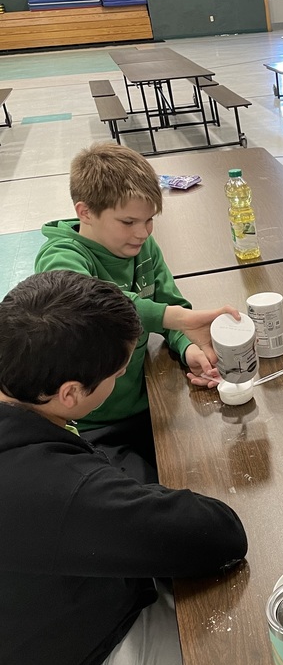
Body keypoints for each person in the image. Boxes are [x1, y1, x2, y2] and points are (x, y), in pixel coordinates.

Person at [0, 271, 247, 665]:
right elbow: (218, 533)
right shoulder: (58, 490)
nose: (120, 379)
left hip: (41, 615)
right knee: (247, 635)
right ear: (70, 393)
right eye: (117, 375)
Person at [34, 142, 237, 480]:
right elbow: (94, 305)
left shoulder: (143, 246)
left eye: (148, 221)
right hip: (92, 423)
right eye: (128, 221)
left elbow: (171, 307)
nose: (141, 233)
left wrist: (187, 348)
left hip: (149, 407)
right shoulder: (60, 255)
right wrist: (173, 318)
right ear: (85, 212)